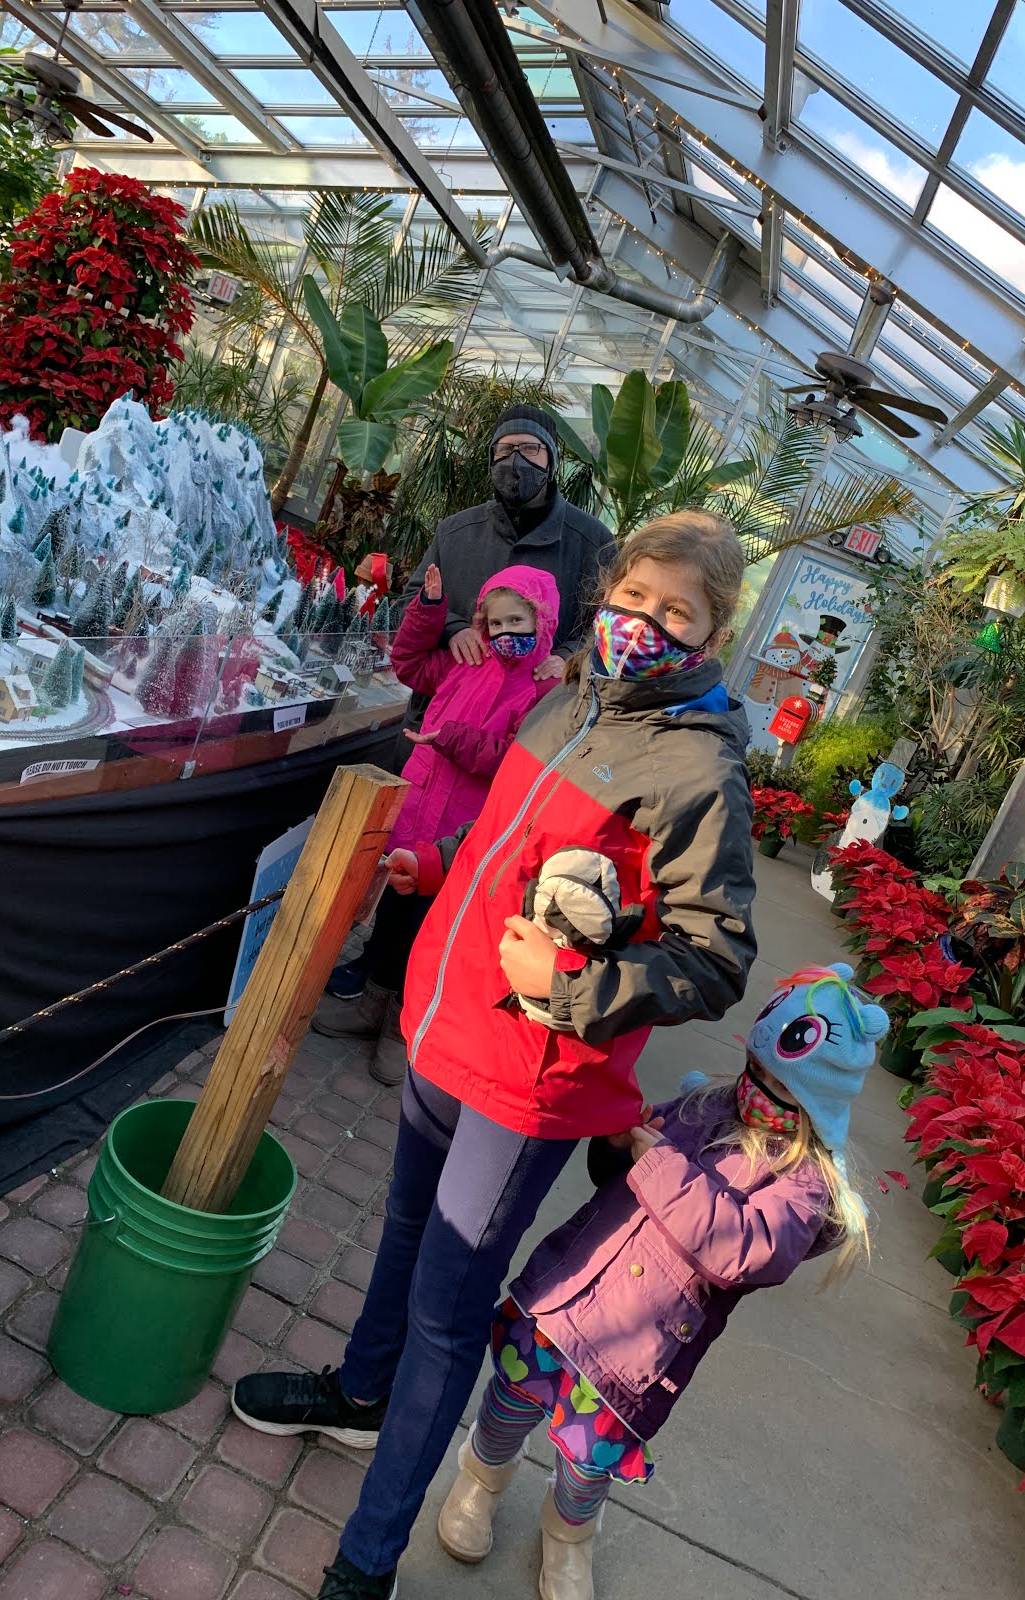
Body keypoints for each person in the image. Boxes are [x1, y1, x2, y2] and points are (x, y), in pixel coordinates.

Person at [233, 513, 757, 1600]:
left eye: (678, 612)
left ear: (712, 633)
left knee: (448, 1309)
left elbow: (714, 958)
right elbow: (508, 839)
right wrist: (440, 864)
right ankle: (361, 1392)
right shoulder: (567, 698)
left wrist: (573, 993)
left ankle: (368, 1557)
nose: (646, 623)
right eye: (637, 596)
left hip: (531, 1077)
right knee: (405, 1236)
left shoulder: (697, 771)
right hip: (443, 1023)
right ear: (607, 588)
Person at [438, 963, 887, 1600]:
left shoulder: (803, 1188)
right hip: (569, 1291)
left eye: (776, 1086)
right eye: (753, 1072)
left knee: (588, 1460)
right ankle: (481, 1479)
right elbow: (619, 1169)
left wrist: (657, 1159)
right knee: (512, 1395)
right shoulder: (706, 1104)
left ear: (818, 1101)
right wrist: (621, 1136)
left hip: (635, 1352)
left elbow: (740, 1246)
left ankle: (568, 1534)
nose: (752, 1091)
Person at [313, 561, 561, 1085]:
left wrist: (450, 737)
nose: (505, 634)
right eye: (496, 624)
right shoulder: (465, 662)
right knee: (393, 917)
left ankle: (402, 1030)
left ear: (542, 621)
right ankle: (370, 1005)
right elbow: (408, 663)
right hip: (418, 815)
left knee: (432, 933)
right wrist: (428, 615)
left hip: (460, 835)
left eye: (518, 621)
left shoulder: (543, 693)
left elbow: (514, 760)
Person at [401, 404, 616, 685]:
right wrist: (451, 628)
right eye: (505, 449)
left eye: (529, 448)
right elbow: (411, 601)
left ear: (550, 461)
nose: (515, 459)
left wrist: (569, 655)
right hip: (444, 701)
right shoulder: (455, 531)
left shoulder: (592, 540)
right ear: (492, 459)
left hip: (534, 712)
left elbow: (609, 621)